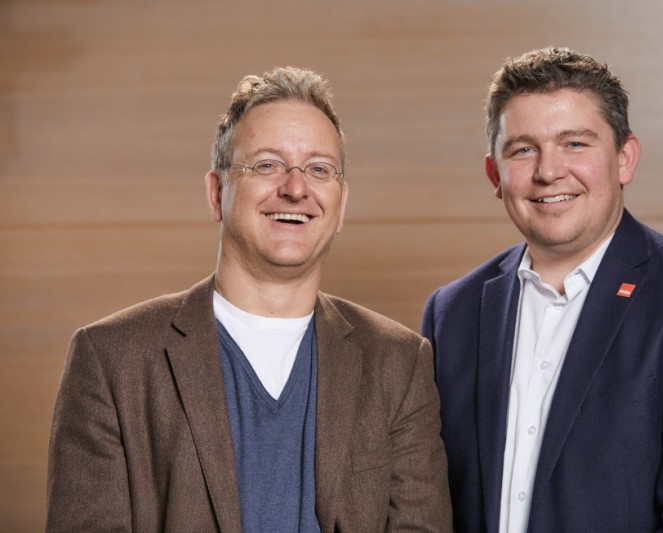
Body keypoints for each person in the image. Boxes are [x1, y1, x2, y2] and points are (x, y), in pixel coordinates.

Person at [47, 66, 452, 532]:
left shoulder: (399, 363)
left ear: (340, 205)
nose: (295, 188)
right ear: (217, 192)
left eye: (319, 169)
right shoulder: (111, 359)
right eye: (267, 165)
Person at [421, 47, 663, 532]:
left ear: (624, 159)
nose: (548, 172)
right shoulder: (452, 313)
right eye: (523, 150)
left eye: (574, 144)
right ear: (495, 175)